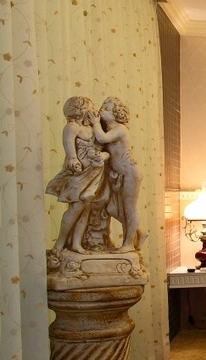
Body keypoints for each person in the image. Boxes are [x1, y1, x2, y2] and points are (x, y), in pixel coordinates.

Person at [46, 97, 109, 252]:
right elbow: (68, 145)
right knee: (75, 206)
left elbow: (105, 149)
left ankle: (76, 243)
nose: (94, 110)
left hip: (94, 173)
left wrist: (103, 156)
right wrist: (73, 158)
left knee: (85, 208)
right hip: (78, 173)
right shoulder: (72, 127)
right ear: (80, 110)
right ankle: (60, 243)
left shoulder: (94, 128)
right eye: (90, 107)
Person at [92, 97, 145, 252]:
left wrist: (95, 123)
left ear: (117, 114)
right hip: (119, 174)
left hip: (130, 172)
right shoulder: (109, 129)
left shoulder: (120, 129)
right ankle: (140, 231)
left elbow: (102, 138)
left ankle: (128, 243)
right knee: (112, 209)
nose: (102, 110)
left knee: (129, 208)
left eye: (107, 109)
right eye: (102, 107)